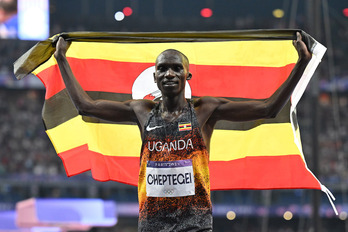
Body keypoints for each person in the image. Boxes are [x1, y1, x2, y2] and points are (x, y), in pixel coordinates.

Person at [54, 32, 311, 231]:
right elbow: (85, 106)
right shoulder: (141, 111)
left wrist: (302, 63)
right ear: (154, 77)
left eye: (176, 68)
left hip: (194, 224)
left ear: (188, 75)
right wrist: (62, 59)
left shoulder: (205, 109)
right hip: (152, 223)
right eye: (163, 68)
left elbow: (267, 108)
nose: (169, 73)